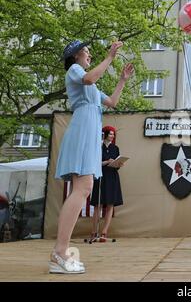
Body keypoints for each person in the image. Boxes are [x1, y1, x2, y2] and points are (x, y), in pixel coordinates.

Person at [51, 40, 134, 274]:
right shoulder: (75, 71)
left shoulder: (92, 89)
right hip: (82, 131)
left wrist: (122, 81)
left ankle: (61, 251)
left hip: (88, 131)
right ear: (76, 55)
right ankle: (60, 252)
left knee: (84, 187)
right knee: (82, 188)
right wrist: (109, 58)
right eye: (86, 52)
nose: (89, 55)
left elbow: (113, 102)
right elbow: (89, 77)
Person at [89, 126, 124, 242]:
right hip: (101, 177)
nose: (112, 136)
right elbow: (93, 163)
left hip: (112, 177)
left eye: (113, 134)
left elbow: (117, 163)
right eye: (110, 134)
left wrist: (118, 164)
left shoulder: (115, 148)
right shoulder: (97, 147)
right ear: (104, 134)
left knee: (110, 205)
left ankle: (104, 232)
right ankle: (94, 232)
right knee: (97, 206)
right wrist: (106, 162)